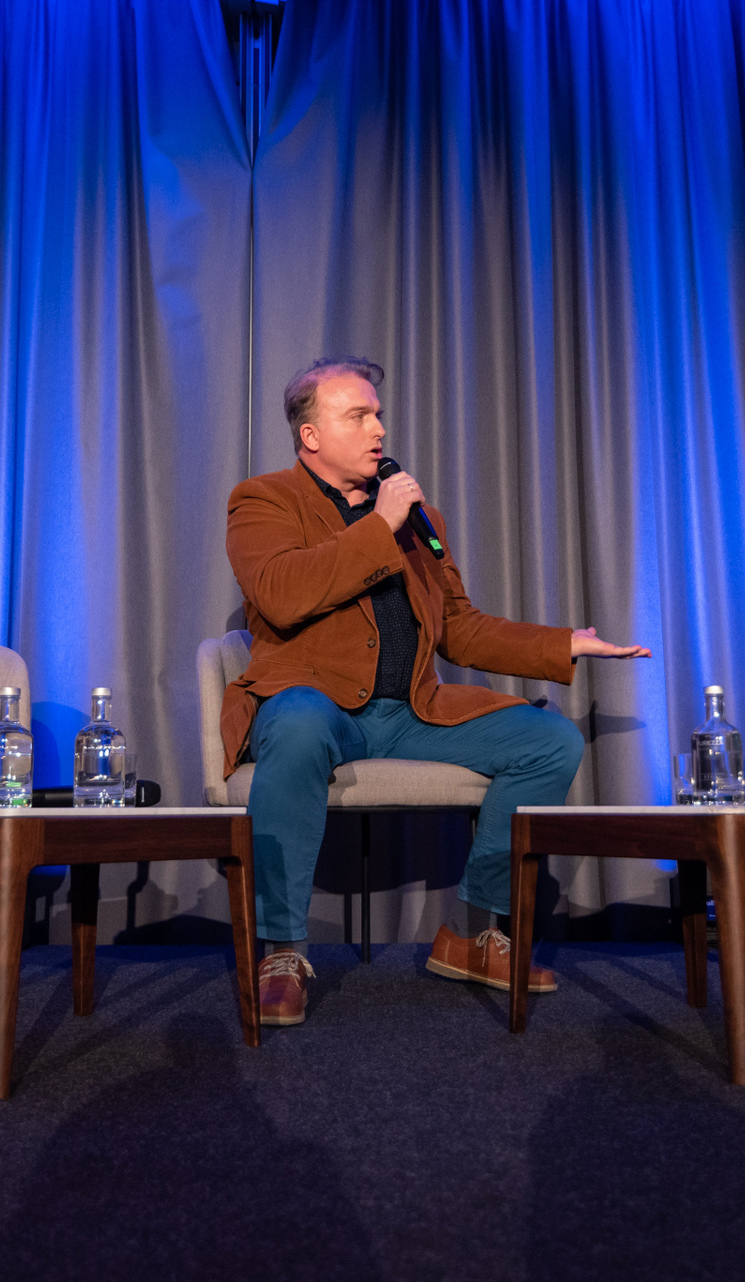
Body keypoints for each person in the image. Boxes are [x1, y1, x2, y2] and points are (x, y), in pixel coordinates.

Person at [223, 356, 649, 1026]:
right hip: (317, 705)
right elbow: (281, 594)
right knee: (299, 721)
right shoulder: (264, 500)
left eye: (378, 414)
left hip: (411, 711)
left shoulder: (421, 521)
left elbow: (459, 628)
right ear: (311, 435)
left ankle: (476, 934)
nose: (378, 429)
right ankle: (281, 952)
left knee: (549, 741)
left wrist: (561, 643)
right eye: (358, 416)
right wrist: (379, 526)